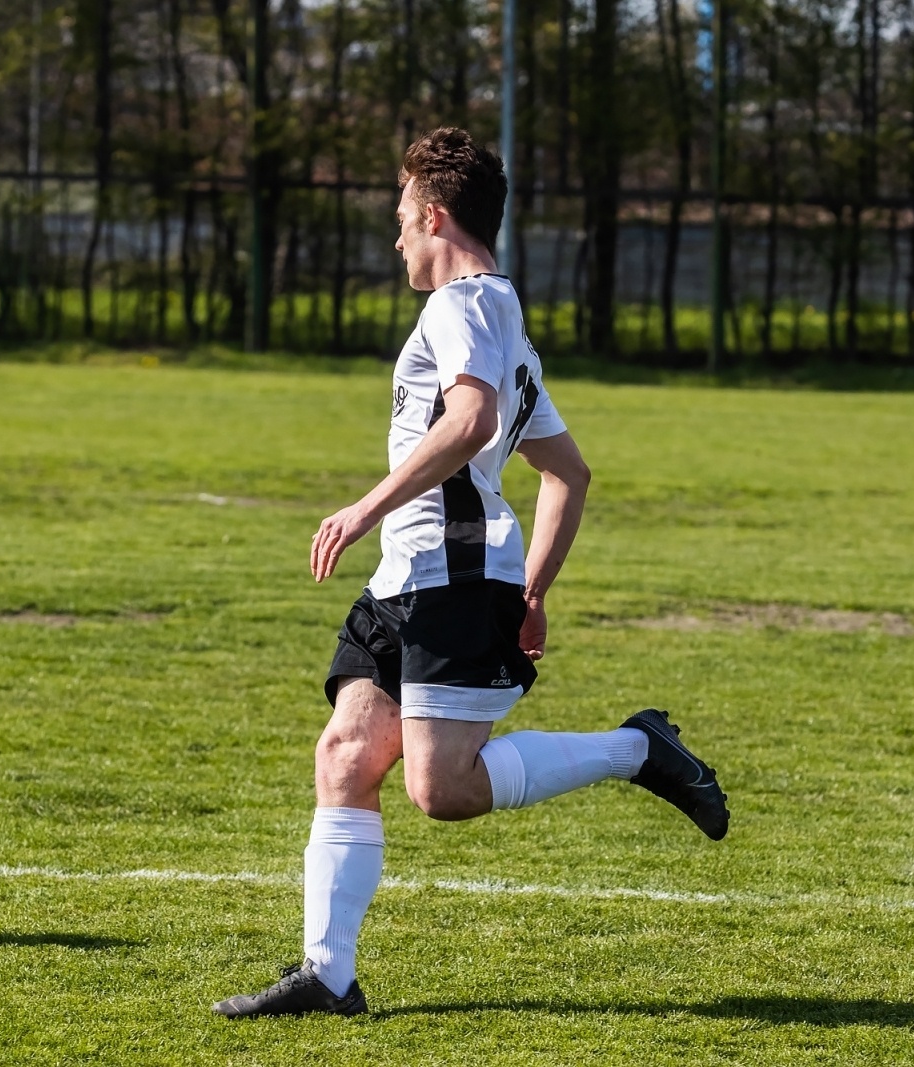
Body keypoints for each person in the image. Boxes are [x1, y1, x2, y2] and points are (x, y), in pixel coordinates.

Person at [212, 127, 730, 1020]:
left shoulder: (464, 308)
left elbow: (468, 422)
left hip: (449, 578)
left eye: (403, 222)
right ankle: (328, 977)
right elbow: (568, 470)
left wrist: (363, 507)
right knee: (344, 754)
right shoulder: (502, 323)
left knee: (442, 790)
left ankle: (636, 747)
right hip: (410, 579)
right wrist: (533, 589)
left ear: (436, 215)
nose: (399, 240)